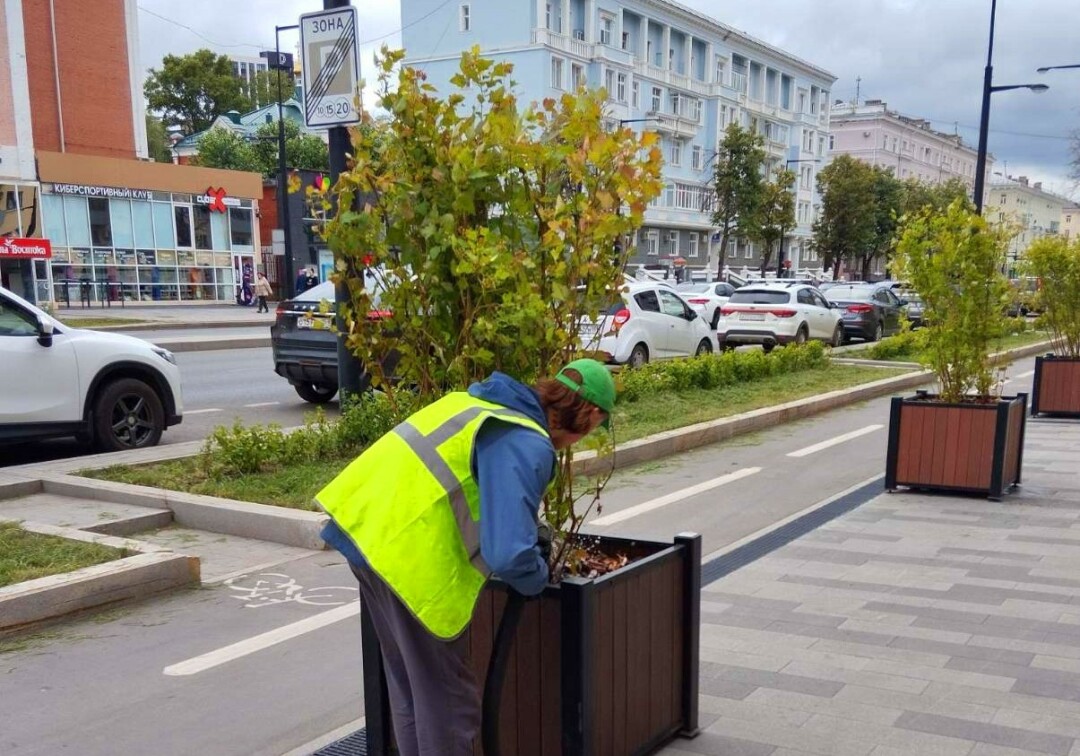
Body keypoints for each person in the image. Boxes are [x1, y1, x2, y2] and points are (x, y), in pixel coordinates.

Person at [316, 359, 615, 756]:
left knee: (412, 691)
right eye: (594, 428)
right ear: (591, 414)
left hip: (367, 536)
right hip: (410, 564)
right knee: (449, 705)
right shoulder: (527, 440)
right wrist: (536, 577)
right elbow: (509, 553)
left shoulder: (476, 405)